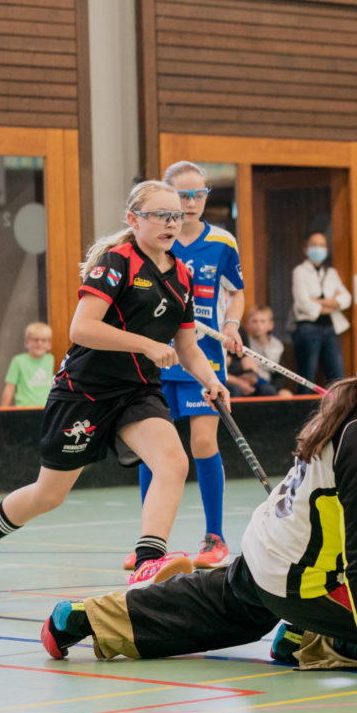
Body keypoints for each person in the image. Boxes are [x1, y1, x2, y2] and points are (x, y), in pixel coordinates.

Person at [39, 308, 357, 690]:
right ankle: (308, 634)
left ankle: (81, 618)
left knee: (202, 609)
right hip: (302, 582)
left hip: (264, 554)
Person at [0, 180, 229, 603]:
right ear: (134, 220)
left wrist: (211, 380)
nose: (171, 223)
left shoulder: (181, 276)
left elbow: (187, 348)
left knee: (173, 461)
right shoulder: (118, 262)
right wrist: (148, 345)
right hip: (85, 391)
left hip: (136, 392)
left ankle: (149, 559)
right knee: (48, 495)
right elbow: (82, 328)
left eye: (177, 215)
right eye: (160, 215)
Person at [133, 161, 245, 572]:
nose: (192, 203)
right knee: (154, 449)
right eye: (183, 196)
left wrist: (231, 324)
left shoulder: (222, 243)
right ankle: (148, 542)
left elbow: (236, 293)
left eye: (199, 195)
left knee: (202, 443)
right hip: (157, 356)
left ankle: (214, 536)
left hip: (203, 354)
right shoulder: (156, 241)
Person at [292, 232, 352, 393]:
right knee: (306, 378)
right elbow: (303, 303)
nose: (318, 249)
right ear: (306, 249)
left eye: (322, 245)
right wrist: (332, 303)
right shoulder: (300, 271)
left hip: (330, 329)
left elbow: (346, 299)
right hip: (308, 328)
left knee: (338, 379)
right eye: (314, 245)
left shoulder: (331, 273)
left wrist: (319, 301)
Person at [235, 304, 293, 398]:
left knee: (283, 394)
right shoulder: (242, 343)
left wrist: (278, 389)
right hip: (246, 384)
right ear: (248, 324)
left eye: (262, 321)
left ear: (270, 325)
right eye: (254, 321)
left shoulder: (277, 346)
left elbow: (280, 375)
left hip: (269, 387)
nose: (258, 325)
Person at [1, 322, 55, 407]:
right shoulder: (18, 361)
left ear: (49, 344)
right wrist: (3, 411)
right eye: (35, 340)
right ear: (27, 342)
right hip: (24, 410)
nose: (39, 343)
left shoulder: (50, 359)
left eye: (43, 340)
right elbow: (10, 388)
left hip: (46, 409)